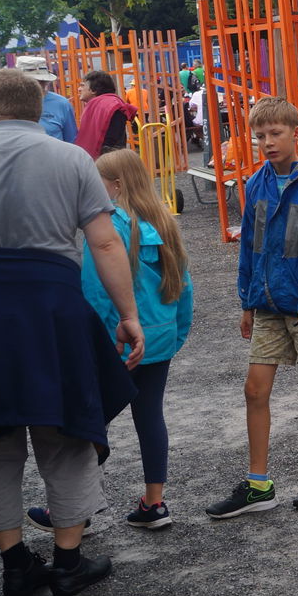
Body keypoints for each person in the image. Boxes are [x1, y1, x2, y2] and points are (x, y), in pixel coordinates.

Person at [0, 68, 144, 596]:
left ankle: (16, 566)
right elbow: (105, 243)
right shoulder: (73, 160)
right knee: (66, 432)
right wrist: (128, 314)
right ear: (38, 110)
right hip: (49, 309)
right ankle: (68, 564)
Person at [205, 96, 298, 518]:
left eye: (275, 133)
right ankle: (258, 484)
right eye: (260, 136)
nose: (267, 142)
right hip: (267, 303)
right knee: (255, 389)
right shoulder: (256, 184)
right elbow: (251, 247)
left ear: (296, 134)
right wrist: (246, 301)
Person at [80, 149, 193, 529]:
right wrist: (175, 335)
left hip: (117, 342)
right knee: (150, 417)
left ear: (115, 186)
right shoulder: (163, 222)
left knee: (89, 422)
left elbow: (95, 292)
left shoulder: (106, 228)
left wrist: (93, 341)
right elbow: (183, 287)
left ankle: (76, 510)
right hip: (159, 339)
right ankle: (154, 503)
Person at [74, 70, 137, 158]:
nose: (79, 89)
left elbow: (112, 144)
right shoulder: (106, 104)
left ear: (94, 90)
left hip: (106, 161)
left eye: (82, 85)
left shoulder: (111, 106)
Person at [18, 56, 77, 142]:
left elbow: (71, 140)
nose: (38, 85)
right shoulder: (8, 103)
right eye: (33, 81)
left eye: (41, 81)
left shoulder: (61, 104)